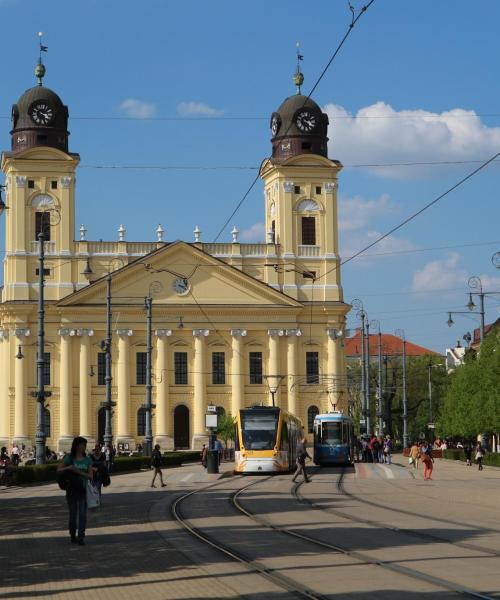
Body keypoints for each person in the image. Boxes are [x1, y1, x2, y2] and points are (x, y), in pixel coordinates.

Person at [57, 436, 94, 545]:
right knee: (73, 515)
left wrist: (78, 471)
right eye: (82, 444)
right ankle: (72, 534)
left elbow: (91, 476)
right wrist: (69, 468)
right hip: (71, 490)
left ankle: (81, 536)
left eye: (85, 445)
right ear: (77, 445)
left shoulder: (88, 460)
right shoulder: (69, 458)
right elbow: (59, 470)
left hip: (82, 490)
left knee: (82, 515)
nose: (84, 447)